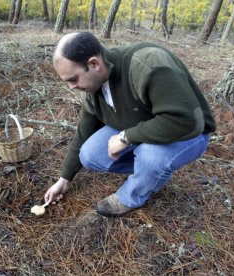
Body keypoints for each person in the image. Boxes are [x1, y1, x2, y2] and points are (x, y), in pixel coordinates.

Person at [44, 32, 216, 217]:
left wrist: (127, 137)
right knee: (89, 154)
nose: (72, 87)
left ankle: (132, 196)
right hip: (143, 124)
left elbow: (187, 122)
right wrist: (65, 178)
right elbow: (83, 132)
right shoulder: (93, 86)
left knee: (150, 157)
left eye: (73, 79)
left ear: (94, 64)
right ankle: (151, 171)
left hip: (190, 134)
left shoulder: (147, 64)